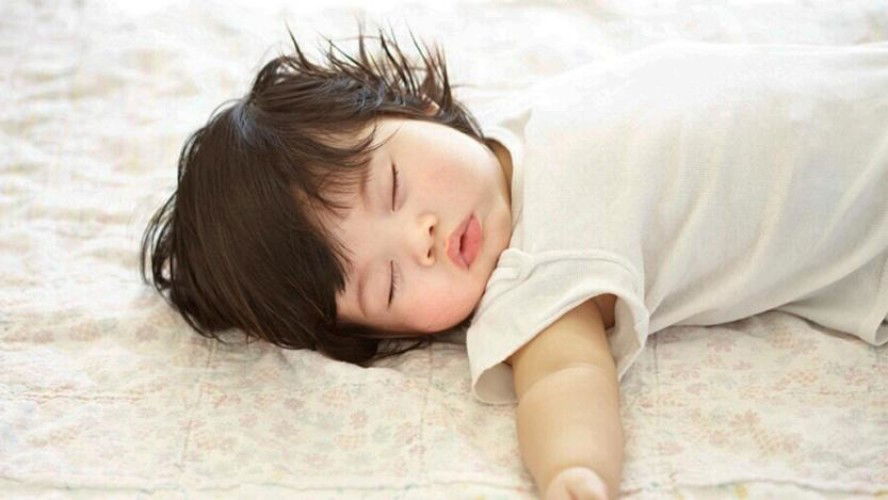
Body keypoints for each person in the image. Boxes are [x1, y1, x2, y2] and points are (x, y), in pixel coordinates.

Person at [140, 24, 888, 499]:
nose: (421, 239)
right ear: (385, 334)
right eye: (390, 283)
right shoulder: (532, 282)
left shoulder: (522, 120)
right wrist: (574, 470)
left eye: (393, 186)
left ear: (410, 109)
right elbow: (564, 381)